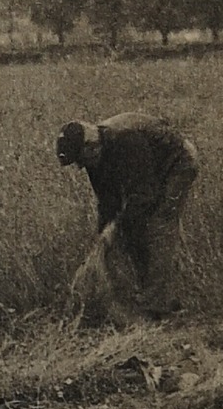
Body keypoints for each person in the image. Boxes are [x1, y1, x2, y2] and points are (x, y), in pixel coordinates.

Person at [56, 112, 199, 318]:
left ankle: (157, 305)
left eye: (80, 159)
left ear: (91, 146)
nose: (80, 166)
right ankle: (150, 292)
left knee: (159, 227)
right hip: (150, 173)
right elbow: (107, 201)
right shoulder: (94, 157)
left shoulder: (126, 141)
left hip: (178, 163)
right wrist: (103, 235)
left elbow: (144, 194)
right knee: (132, 233)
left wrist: (119, 225)